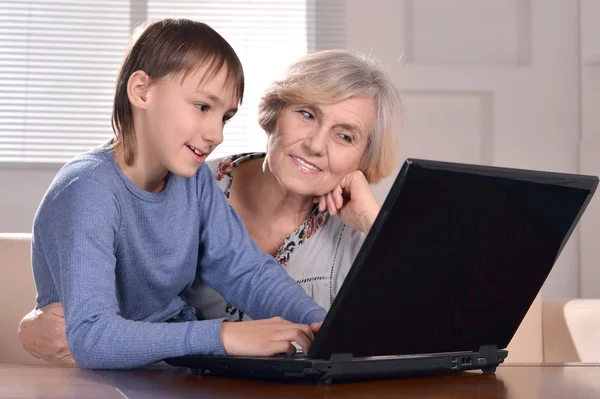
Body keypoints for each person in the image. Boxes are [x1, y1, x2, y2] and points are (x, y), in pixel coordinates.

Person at [19, 49, 402, 364]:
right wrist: (226, 335)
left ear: (362, 157)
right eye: (306, 114)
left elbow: (248, 272)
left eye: (345, 136)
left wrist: (373, 223)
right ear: (275, 114)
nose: (215, 135)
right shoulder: (185, 174)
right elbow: (90, 332)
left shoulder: (364, 232)